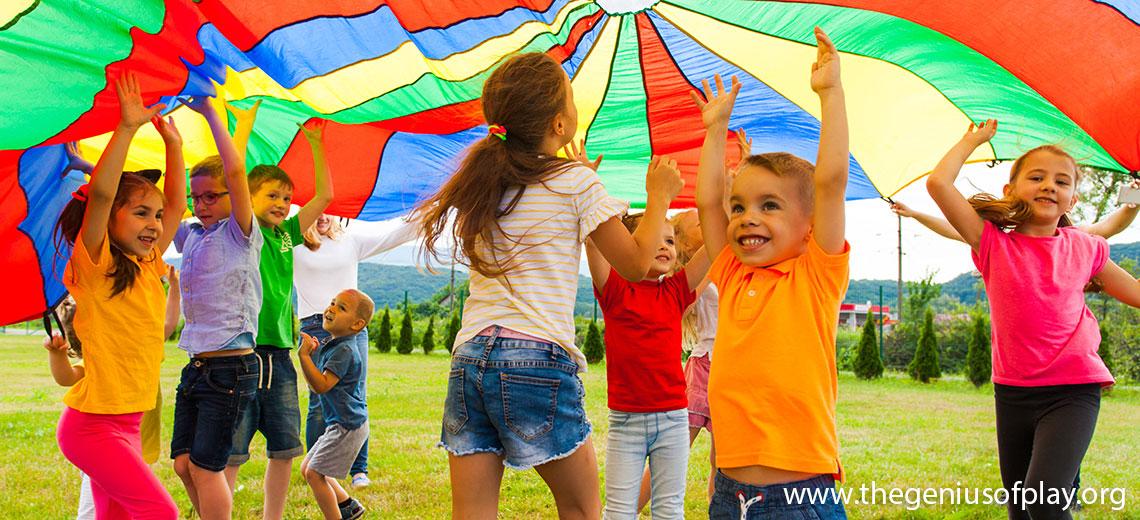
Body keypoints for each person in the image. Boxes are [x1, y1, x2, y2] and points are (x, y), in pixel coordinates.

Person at [412, 52, 683, 519]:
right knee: (581, 510)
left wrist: (588, 189)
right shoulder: (575, 182)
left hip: (470, 358)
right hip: (535, 358)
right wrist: (658, 198)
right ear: (560, 125)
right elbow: (637, 265)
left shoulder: (487, 184)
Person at [926, 120, 1140, 519]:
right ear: (1011, 190)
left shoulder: (1086, 248)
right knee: (1021, 508)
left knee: (1043, 502)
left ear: (1073, 199)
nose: (1049, 186)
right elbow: (939, 185)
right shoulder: (992, 243)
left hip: (1072, 389)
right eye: (1037, 177)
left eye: (1062, 182)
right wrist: (971, 141)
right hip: (1012, 391)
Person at [695, 28, 851, 519]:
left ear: (808, 228)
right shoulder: (733, 271)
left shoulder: (816, 275)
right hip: (729, 494)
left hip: (800, 494)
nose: (746, 218)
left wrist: (830, 93)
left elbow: (829, 182)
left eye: (769, 205)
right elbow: (706, 204)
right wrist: (715, 130)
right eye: (739, 207)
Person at [52, 72, 184, 519]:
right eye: (141, 213)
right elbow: (104, 193)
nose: (154, 223)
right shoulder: (97, 265)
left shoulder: (149, 266)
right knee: (161, 513)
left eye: (157, 215)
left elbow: (178, 208)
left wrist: (175, 146)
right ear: (109, 220)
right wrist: (127, 128)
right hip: (92, 429)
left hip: (129, 423)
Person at [223, 102, 334, 520]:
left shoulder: (288, 234)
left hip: (281, 357)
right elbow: (234, 178)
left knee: (285, 447)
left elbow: (325, 196)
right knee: (232, 451)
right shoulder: (244, 232)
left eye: (286, 197)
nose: (283, 203)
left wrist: (316, 144)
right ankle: (221, 512)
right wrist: (245, 130)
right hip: (242, 356)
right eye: (272, 195)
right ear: (249, 198)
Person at [169, 96, 263, 520]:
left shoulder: (239, 234)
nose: (201, 204)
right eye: (196, 197)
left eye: (211, 196)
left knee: (208, 469)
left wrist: (209, 113)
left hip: (230, 369)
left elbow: (236, 170)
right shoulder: (192, 238)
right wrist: (172, 146)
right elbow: (171, 207)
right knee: (184, 465)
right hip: (198, 367)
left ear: (231, 196)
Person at [585, 208, 709, 518]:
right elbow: (594, 242)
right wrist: (595, 200)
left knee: (669, 509)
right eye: (655, 238)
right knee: (619, 510)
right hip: (626, 423)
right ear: (626, 246)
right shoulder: (614, 288)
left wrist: (721, 203)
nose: (665, 246)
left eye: (669, 240)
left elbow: (714, 248)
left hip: (673, 421)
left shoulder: (677, 290)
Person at [295, 213, 418, 488]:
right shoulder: (294, 244)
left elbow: (396, 234)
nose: (322, 216)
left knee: (355, 397)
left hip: (352, 329)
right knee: (319, 401)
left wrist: (432, 210)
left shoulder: (350, 241)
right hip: (314, 326)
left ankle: (359, 470)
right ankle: (317, 468)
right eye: (316, 210)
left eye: (329, 210)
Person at [298, 289, 375, 520]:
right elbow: (317, 385)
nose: (331, 309)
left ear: (357, 324)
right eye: (332, 303)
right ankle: (348, 506)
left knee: (314, 473)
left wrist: (304, 357)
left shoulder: (344, 350)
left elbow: (321, 385)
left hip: (347, 426)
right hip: (339, 423)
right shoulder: (335, 344)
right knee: (307, 468)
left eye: (341, 308)